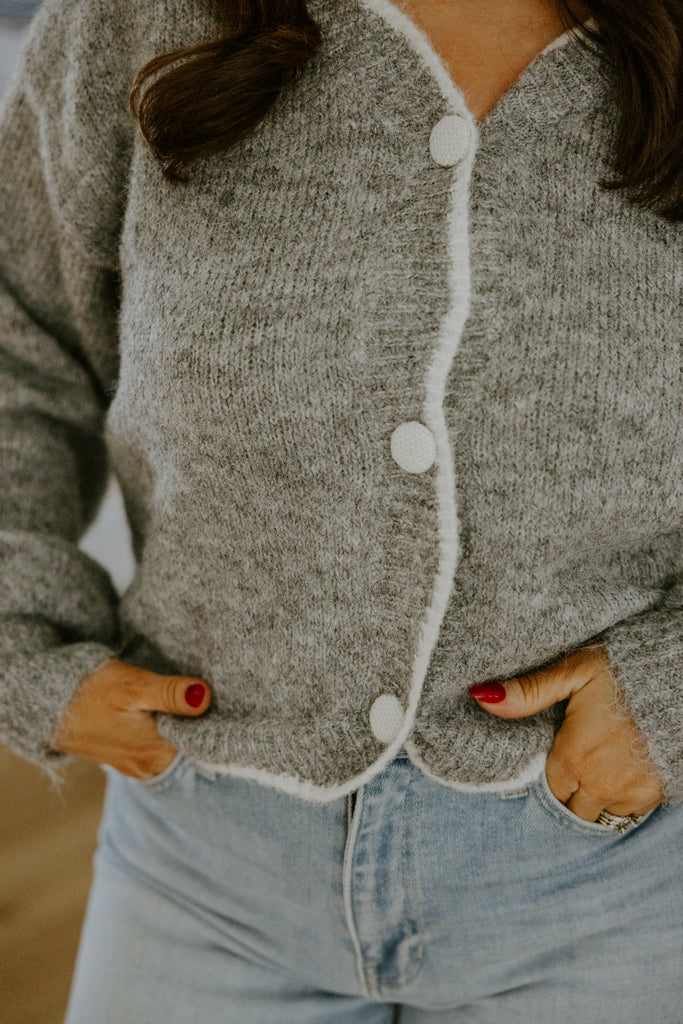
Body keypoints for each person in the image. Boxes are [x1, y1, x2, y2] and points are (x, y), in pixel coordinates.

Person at [0, 0, 681, 1019]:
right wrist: (17, 628)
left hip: (613, 875)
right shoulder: (133, 19)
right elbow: (20, 341)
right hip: (203, 860)